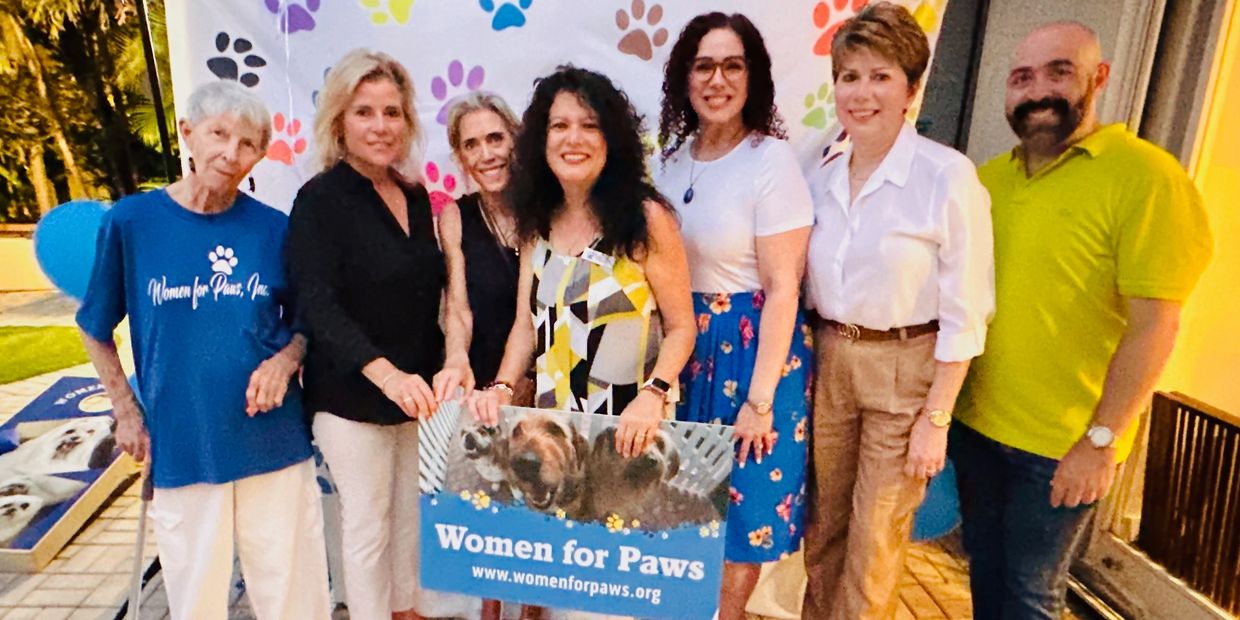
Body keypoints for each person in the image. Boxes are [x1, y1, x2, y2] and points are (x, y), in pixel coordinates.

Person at [951, 21, 1212, 619]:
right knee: (986, 575)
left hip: (1059, 447)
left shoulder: (1146, 179)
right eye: (1022, 78)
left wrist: (1101, 441)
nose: (1038, 90)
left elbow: (1157, 325)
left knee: (1028, 593)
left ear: (1100, 78)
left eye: (1058, 71)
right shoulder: (986, 180)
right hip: (976, 427)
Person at [75, 80, 330, 619]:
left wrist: (286, 360)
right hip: (184, 440)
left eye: (246, 143)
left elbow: (308, 322)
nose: (230, 153)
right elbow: (94, 325)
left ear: (261, 154)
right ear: (188, 134)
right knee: (196, 599)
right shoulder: (131, 223)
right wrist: (126, 411)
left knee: (294, 595)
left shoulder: (273, 228)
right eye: (218, 134)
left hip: (272, 440)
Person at [800, 4, 995, 618]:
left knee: (874, 542)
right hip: (829, 359)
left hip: (905, 368)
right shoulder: (819, 168)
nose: (861, 93)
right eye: (849, 76)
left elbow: (969, 307)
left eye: (879, 76)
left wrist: (936, 417)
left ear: (911, 87)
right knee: (823, 531)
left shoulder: (947, 177)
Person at [286, 49, 475, 620]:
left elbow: (433, 297)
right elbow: (317, 305)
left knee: (411, 525)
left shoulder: (416, 196)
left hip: (416, 398)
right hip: (350, 398)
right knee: (367, 529)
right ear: (340, 121)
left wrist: (447, 362)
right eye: (364, 112)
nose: (380, 125)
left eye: (392, 112)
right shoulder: (319, 201)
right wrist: (385, 374)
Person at [653, 12, 813, 620]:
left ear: (753, 78)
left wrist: (762, 398)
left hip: (750, 355)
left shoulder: (770, 162)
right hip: (684, 350)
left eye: (732, 65)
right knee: (679, 506)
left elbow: (782, 289)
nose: (717, 79)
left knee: (741, 513)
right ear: (684, 78)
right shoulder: (671, 162)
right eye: (703, 65)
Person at [468, 64, 694, 474]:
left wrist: (654, 394)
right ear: (542, 139)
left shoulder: (647, 219)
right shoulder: (536, 223)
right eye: (560, 126)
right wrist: (502, 387)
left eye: (589, 125)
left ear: (611, 139)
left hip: (629, 434)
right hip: (553, 434)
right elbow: (525, 326)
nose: (574, 139)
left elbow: (682, 328)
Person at [443, 91, 525, 620]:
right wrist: (457, 359)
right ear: (460, 157)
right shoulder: (454, 216)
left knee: (548, 522)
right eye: (471, 144)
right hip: (485, 386)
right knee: (491, 521)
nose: (486, 153)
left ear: (515, 141)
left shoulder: (549, 207)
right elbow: (459, 306)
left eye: (495, 138)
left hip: (552, 380)